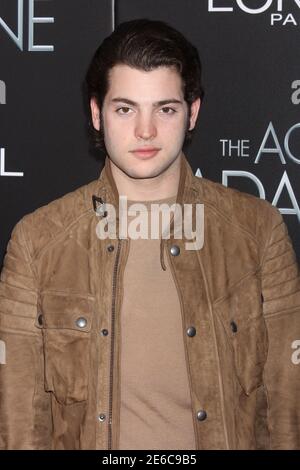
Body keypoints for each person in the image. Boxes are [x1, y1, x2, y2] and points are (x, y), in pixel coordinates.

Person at [0, 18, 299, 451]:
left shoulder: (257, 232)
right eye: (125, 109)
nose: (145, 131)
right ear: (96, 113)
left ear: (192, 111)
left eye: (165, 108)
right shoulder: (37, 243)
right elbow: (20, 425)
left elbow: (287, 413)